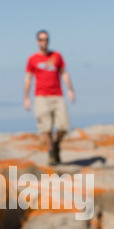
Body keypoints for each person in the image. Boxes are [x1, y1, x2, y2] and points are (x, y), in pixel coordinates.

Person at [24, 30, 75, 165]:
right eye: (41, 39)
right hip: (41, 96)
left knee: (64, 126)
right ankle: (51, 152)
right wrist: (26, 97)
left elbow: (64, 73)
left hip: (57, 95)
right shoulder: (32, 59)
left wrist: (70, 89)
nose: (44, 42)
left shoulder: (57, 56)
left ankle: (56, 144)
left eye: (46, 39)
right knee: (45, 128)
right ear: (37, 42)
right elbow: (28, 78)